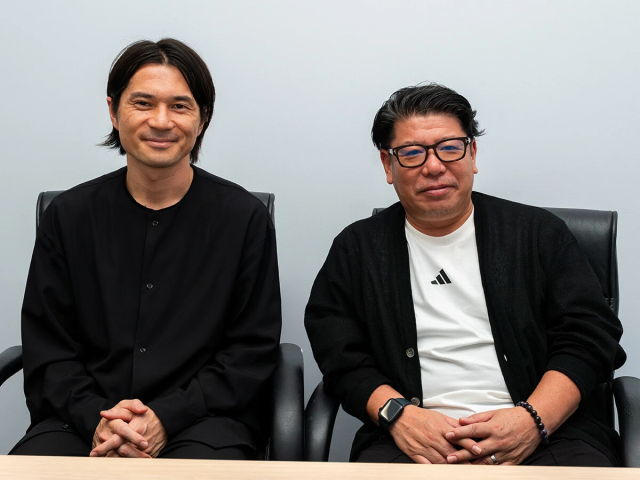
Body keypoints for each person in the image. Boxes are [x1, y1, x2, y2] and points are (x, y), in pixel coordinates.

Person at [304, 83, 625, 466]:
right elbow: (339, 353)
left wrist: (531, 420)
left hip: (546, 435)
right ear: (388, 165)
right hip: (410, 440)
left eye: (450, 147)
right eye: (412, 153)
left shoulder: (539, 234)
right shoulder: (357, 249)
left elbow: (589, 338)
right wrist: (399, 415)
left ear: (472, 154)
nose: (433, 166)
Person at [10, 38, 281, 460]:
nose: (161, 121)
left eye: (180, 106)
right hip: (81, 422)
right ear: (113, 111)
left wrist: (166, 417)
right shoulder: (68, 216)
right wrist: (100, 420)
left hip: (204, 422)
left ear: (203, 118)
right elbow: (49, 350)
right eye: (143, 103)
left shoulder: (244, 219)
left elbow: (250, 352)